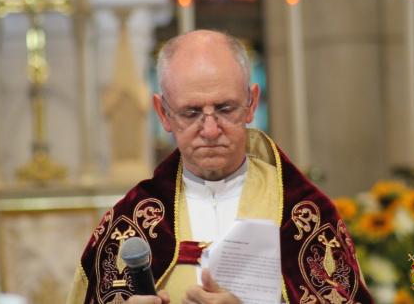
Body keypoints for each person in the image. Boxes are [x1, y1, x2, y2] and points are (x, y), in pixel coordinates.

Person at [67, 30, 374, 304]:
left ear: (252, 104)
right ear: (163, 114)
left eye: (225, 109)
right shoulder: (129, 223)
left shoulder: (302, 214)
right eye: (191, 112)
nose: (211, 130)